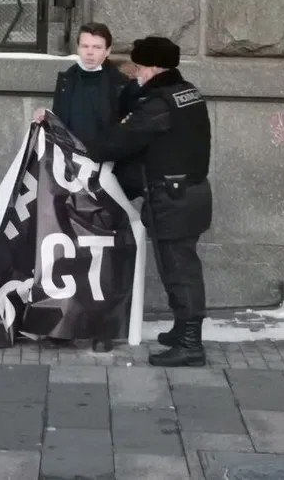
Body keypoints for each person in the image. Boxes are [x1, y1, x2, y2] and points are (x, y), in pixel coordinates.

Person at [82, 36, 212, 368]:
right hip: (190, 192)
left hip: (172, 198)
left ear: (153, 68)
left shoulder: (159, 105)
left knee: (179, 270)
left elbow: (120, 142)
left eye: (139, 67)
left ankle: (190, 344)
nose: (136, 73)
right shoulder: (187, 92)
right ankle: (182, 329)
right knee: (180, 266)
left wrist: (91, 145)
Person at [33, 23, 133, 147]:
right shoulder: (66, 80)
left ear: (107, 51)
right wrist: (46, 117)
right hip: (70, 154)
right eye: (85, 46)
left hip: (105, 156)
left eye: (97, 47)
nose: (89, 52)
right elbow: (60, 123)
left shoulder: (121, 84)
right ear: (78, 48)